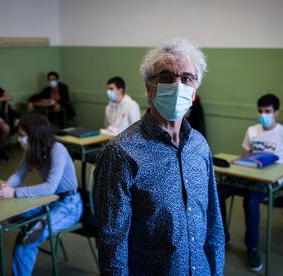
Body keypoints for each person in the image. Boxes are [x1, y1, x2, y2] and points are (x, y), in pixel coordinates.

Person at [94, 39, 224, 274]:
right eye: (166, 77)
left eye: (186, 78)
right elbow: (112, 242)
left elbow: (213, 222)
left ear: (194, 90)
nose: (177, 85)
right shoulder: (121, 153)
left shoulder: (200, 146)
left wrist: (216, 270)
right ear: (148, 87)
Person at [0, 114, 83, 276]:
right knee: (12, 217)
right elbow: (19, 174)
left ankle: (33, 231)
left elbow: (49, 187)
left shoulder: (57, 150)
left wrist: (14, 192)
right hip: (48, 201)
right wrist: (5, 186)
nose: (19, 139)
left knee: (27, 241)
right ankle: (32, 228)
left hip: (69, 204)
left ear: (35, 136)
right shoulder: (32, 150)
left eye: (22, 135)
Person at [217, 94, 283, 272]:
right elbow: (244, 159)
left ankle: (252, 247)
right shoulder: (252, 130)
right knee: (218, 190)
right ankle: (222, 235)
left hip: (272, 182)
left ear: (276, 112)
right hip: (249, 176)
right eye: (260, 111)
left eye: (267, 111)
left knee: (251, 200)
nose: (263, 115)